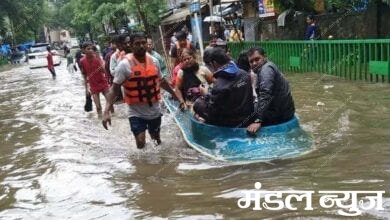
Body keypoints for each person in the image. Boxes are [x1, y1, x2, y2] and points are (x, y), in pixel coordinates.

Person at [102, 32, 178, 149]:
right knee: (140, 143)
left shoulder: (154, 61)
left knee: (156, 140)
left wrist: (176, 95)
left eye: (143, 43)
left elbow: (162, 81)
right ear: (131, 46)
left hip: (154, 110)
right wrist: (106, 111)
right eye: (137, 43)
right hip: (135, 112)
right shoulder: (124, 65)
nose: (141, 46)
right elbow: (114, 89)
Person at [193, 47, 254, 127]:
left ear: (214, 63)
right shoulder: (245, 74)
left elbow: (213, 108)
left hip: (231, 122)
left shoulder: (220, 83)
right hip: (247, 118)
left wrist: (206, 94)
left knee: (198, 103)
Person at [246, 47, 295, 135]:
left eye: (257, 59)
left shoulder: (266, 69)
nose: (254, 63)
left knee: (245, 114)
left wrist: (258, 120)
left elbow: (265, 94)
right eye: (251, 61)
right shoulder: (267, 66)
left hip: (281, 114)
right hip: (284, 109)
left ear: (264, 57)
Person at [79, 42, 111, 115]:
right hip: (93, 86)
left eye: (92, 49)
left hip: (103, 83)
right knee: (98, 107)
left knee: (110, 103)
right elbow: (84, 75)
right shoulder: (82, 61)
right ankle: (100, 120)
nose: (91, 50)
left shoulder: (97, 58)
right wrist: (86, 89)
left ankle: (113, 118)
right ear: (84, 50)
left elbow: (104, 71)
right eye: (88, 49)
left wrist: (99, 59)